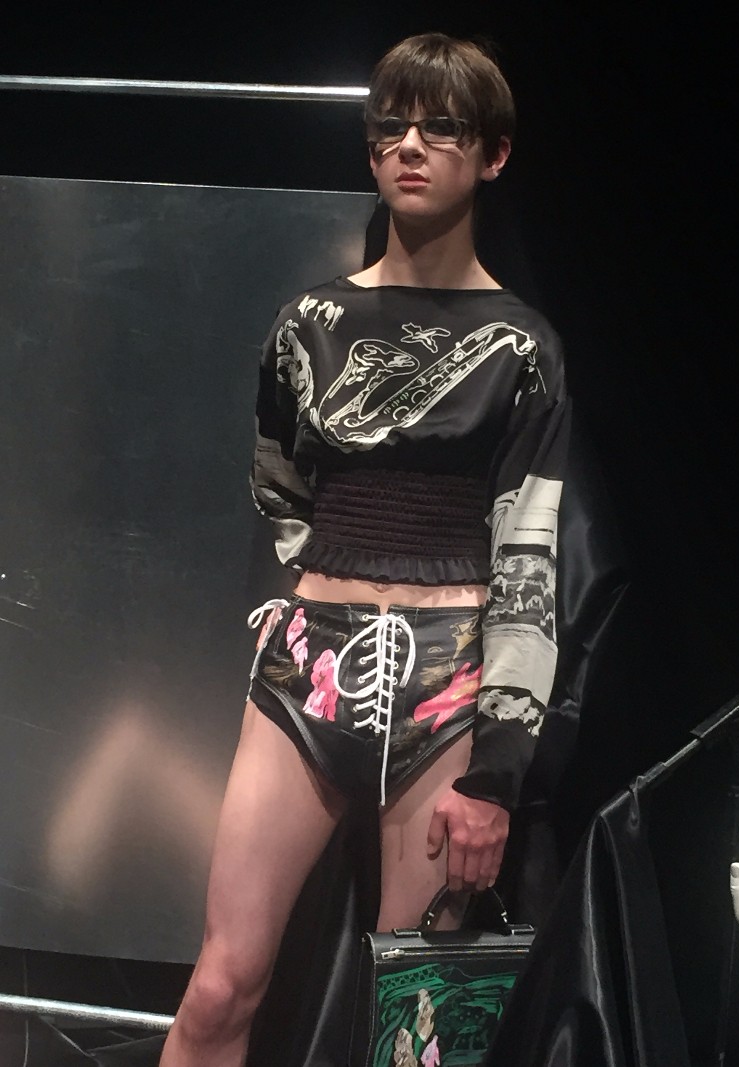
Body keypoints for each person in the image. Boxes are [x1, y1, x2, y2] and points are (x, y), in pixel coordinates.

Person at [160, 30, 570, 1067]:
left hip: (447, 687)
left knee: (413, 1026)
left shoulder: (522, 347)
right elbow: (277, 494)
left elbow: (528, 561)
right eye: (390, 127)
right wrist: (299, 615)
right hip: (309, 669)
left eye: (441, 127)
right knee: (218, 986)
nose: (409, 146)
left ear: (494, 153)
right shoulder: (307, 325)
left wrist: (498, 772)